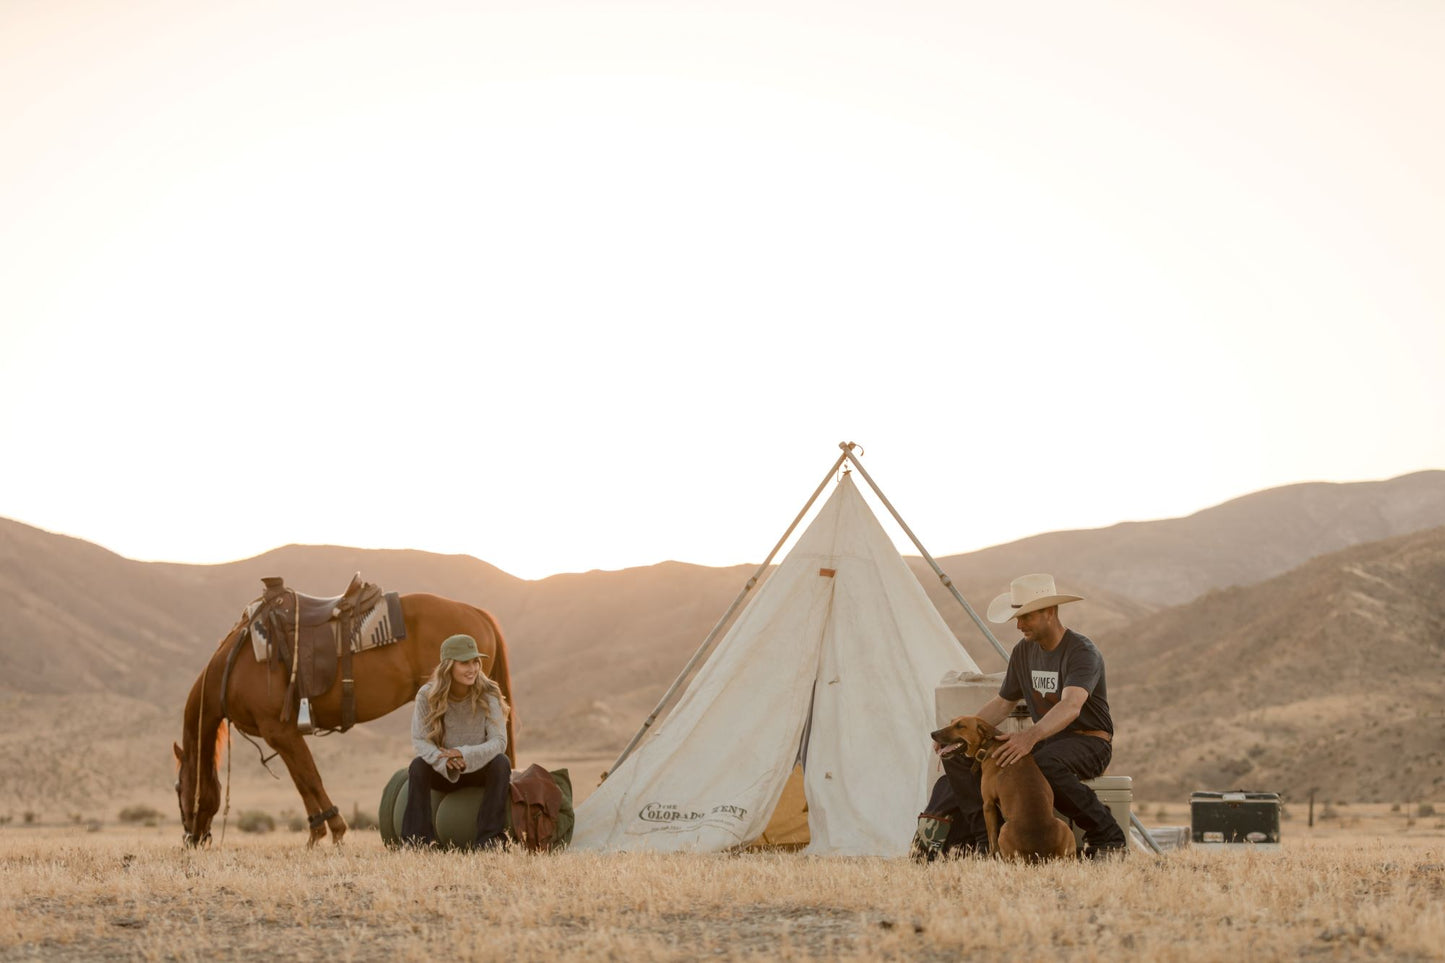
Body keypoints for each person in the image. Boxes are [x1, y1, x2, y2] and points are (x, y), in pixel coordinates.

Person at [922, 573, 1127, 859]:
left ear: (1050, 612)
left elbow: (1071, 706)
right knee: (959, 757)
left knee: (1043, 764)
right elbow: (1003, 703)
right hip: (1046, 739)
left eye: (1026, 617)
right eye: (1017, 618)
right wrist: (957, 734)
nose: (1018, 625)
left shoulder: (1081, 651)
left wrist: (1029, 737)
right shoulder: (1023, 652)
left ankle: (1109, 838)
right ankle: (984, 842)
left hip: (1088, 741)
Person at [401, 633, 512, 850]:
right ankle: (417, 841)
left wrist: (464, 754)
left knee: (502, 762)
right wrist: (442, 760)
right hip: (444, 771)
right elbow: (420, 740)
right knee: (418, 766)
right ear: (448, 666)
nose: (472, 669)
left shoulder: (488, 693)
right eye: (464, 663)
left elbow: (499, 741)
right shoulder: (426, 695)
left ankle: (489, 840)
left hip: (478, 769)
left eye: (475, 662)